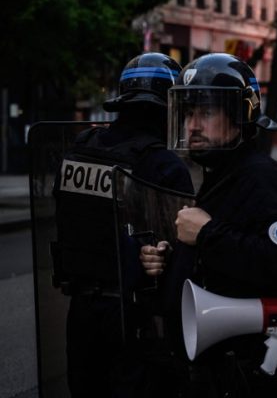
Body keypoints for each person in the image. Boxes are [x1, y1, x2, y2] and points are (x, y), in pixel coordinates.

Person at [139, 53, 277, 398]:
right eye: (188, 113)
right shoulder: (221, 175)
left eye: (206, 112)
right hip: (216, 370)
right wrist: (171, 261)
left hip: (248, 372)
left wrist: (206, 234)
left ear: (239, 116)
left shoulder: (261, 178)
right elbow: (223, 261)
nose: (192, 125)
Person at [53, 52, 194, 397]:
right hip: (135, 317)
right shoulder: (164, 164)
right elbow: (178, 253)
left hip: (82, 311)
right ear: (170, 106)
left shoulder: (81, 149)